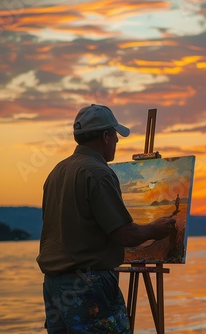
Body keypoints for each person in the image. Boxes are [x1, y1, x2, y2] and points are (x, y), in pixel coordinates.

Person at [36, 104, 176, 333]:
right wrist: (154, 229)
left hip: (54, 285)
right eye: (115, 135)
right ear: (105, 135)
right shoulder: (98, 173)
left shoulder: (57, 172)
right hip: (88, 286)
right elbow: (124, 233)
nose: (117, 142)